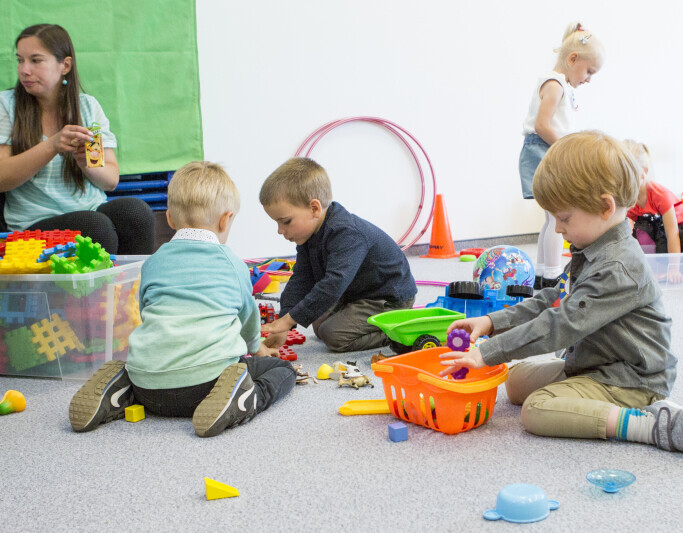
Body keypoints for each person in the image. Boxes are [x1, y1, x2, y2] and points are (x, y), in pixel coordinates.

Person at [441, 131, 683, 460]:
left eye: (564, 218)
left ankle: (648, 424)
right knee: (514, 382)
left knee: (537, 410)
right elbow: (551, 299)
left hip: (631, 379)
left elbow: (561, 324)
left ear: (605, 207)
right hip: (594, 362)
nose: (558, 228)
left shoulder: (617, 267)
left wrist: (488, 352)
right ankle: (584, 389)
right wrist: (491, 322)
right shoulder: (590, 248)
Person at [69, 161, 295, 438]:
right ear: (225, 220)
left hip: (148, 387)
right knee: (283, 370)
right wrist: (256, 347)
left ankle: (123, 389)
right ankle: (244, 399)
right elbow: (247, 318)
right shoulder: (232, 263)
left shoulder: (153, 262)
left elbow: (144, 311)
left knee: (145, 372)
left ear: (170, 219)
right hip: (208, 383)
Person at [0, 24, 154, 254]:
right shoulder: (6, 105)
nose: (24, 70)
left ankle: (133, 279)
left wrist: (87, 165)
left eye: (36, 60)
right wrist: (52, 145)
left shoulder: (88, 107)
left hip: (91, 212)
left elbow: (110, 181)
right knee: (94, 227)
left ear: (65, 65)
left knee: (136, 213)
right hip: (32, 227)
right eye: (20, 60)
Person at [259, 157, 417, 353]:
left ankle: (398, 329)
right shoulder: (309, 235)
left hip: (388, 298)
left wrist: (289, 320)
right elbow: (301, 278)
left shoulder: (346, 233)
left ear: (314, 208)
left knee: (333, 336)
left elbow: (333, 284)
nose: (280, 230)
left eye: (286, 222)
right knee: (317, 322)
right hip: (356, 293)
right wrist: (285, 321)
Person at [518, 22, 605, 290]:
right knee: (559, 217)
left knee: (551, 218)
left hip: (548, 151)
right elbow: (542, 126)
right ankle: (552, 274)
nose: (588, 79)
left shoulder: (561, 85)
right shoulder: (555, 84)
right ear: (572, 59)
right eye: (589, 71)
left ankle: (543, 272)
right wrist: (568, 148)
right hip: (544, 152)